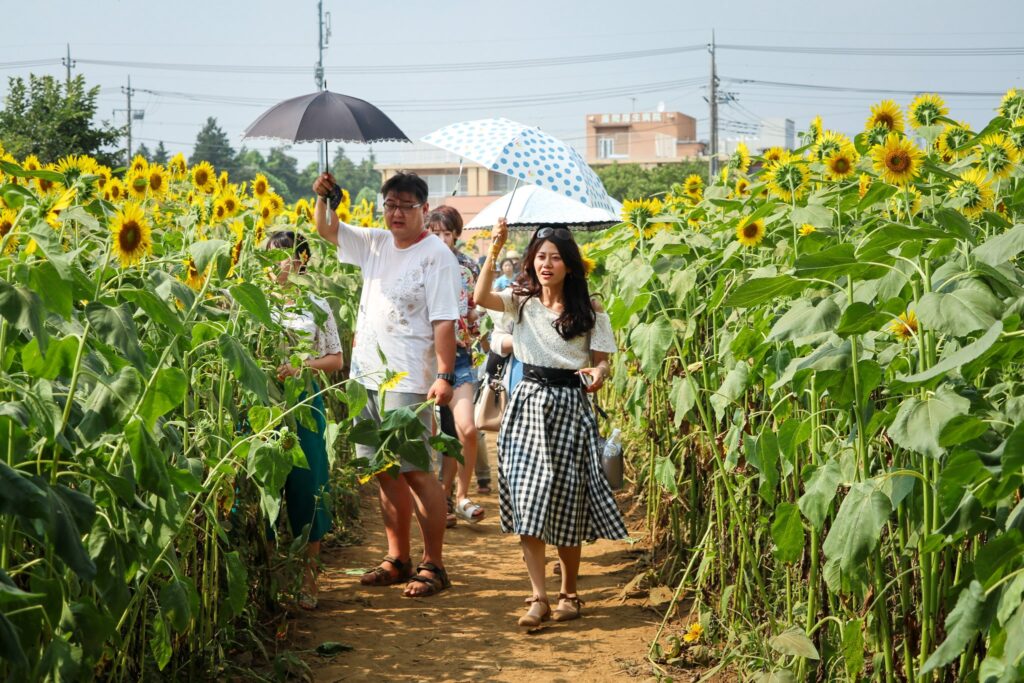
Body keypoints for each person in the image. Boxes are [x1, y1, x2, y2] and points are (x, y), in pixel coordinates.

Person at [312, 170, 460, 597]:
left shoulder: (436, 255)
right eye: (390, 204)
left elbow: (445, 319)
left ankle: (434, 564)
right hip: (366, 377)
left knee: (416, 472)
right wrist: (323, 197)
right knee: (382, 471)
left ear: (424, 209)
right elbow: (326, 229)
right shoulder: (375, 243)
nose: (396, 213)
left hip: (409, 377)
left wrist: (446, 375)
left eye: (405, 206)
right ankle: (398, 558)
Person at [474, 218, 627, 627]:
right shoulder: (519, 302)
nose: (546, 264)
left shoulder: (590, 310)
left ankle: (569, 592)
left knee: (567, 502)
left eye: (555, 258)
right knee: (528, 499)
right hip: (527, 405)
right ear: (531, 262)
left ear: (570, 266)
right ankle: (538, 597)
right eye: (540, 257)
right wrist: (494, 247)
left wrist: (598, 376)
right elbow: (479, 295)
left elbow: (602, 362)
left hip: (570, 407)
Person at [266, 230, 344, 610]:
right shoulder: (250, 303)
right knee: (264, 492)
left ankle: (308, 582)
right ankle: (267, 582)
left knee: (305, 487)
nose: (276, 264)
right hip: (262, 403)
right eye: (269, 256)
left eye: (283, 256)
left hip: (304, 402)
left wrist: (302, 365)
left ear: (303, 261)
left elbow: (335, 359)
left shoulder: (316, 305)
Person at [424, 207, 486, 525]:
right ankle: (440, 500)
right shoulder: (419, 263)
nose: (440, 239)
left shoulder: (466, 268)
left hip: (459, 357)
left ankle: (458, 497)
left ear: (456, 235)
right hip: (424, 359)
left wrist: (473, 321)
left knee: (466, 430)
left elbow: (474, 308)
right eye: (434, 233)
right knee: (433, 434)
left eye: (446, 233)